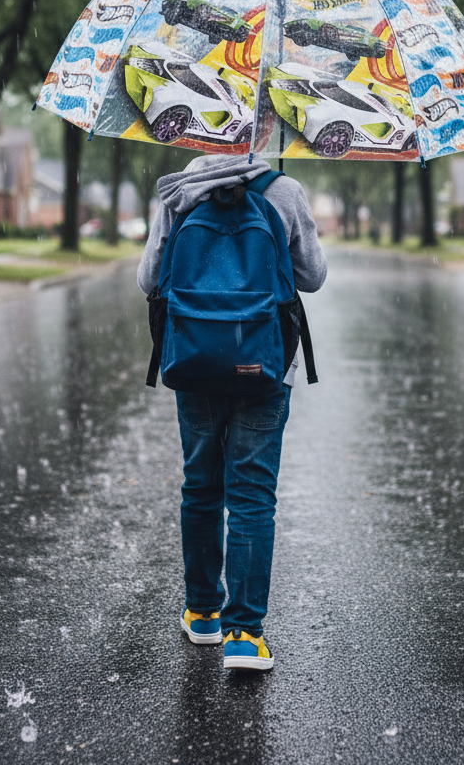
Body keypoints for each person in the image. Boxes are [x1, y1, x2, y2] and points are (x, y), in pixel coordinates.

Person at [137, 154, 327, 670]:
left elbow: (148, 277)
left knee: (200, 485)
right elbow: (312, 277)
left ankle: (202, 613)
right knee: (252, 496)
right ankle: (245, 634)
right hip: (263, 364)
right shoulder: (283, 191)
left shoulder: (180, 190)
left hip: (194, 360)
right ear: (263, 126)